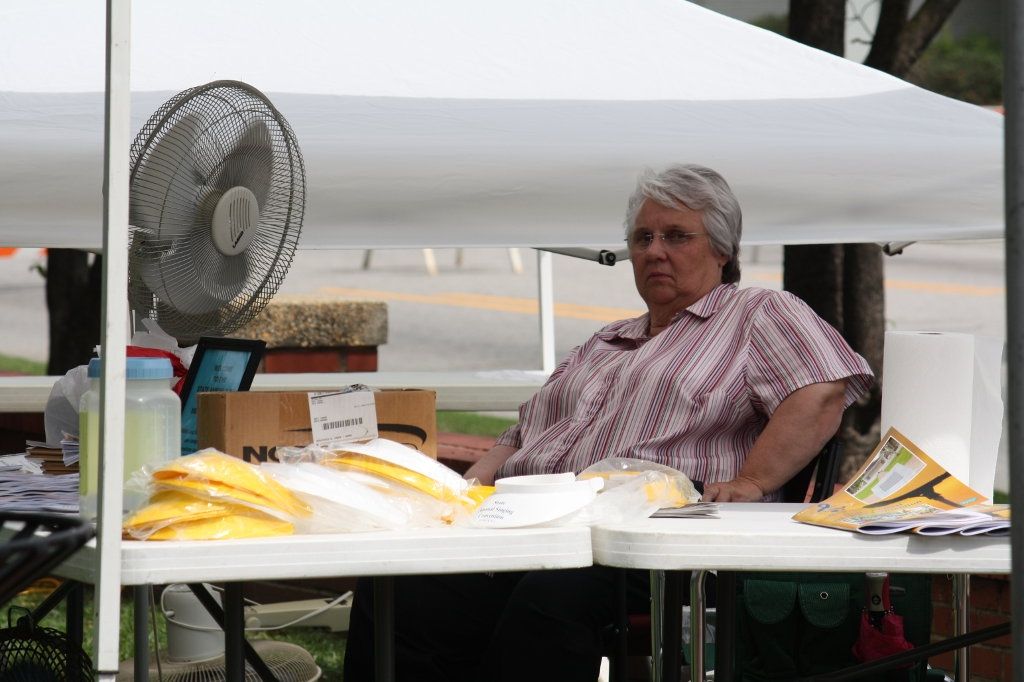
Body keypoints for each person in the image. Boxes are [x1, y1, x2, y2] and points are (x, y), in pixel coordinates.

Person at [343, 164, 873, 681]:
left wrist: (753, 480)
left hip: (651, 544)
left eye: (676, 236)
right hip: (532, 530)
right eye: (642, 238)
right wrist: (462, 493)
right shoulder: (606, 339)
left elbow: (821, 389)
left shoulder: (756, 313)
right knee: (402, 582)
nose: (654, 251)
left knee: (552, 596)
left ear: (722, 250)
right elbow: (521, 434)